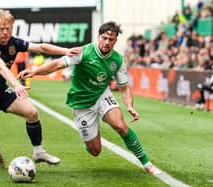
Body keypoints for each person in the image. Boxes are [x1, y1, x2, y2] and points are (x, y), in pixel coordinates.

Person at [18, 21, 161, 174]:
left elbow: (124, 87)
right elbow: (57, 65)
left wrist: (130, 106)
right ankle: (90, 137)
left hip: (102, 95)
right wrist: (35, 72)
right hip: (81, 103)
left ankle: (147, 164)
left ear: (115, 41)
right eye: (104, 38)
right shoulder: (83, 52)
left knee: (120, 126)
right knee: (95, 151)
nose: (107, 42)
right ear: (98, 37)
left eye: (111, 39)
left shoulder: (118, 60)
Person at [0, 9, 80, 168]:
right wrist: (17, 84)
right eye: (0, 28)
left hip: (0, 91)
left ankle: (39, 152)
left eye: (8, 28)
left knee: (32, 113)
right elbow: (1, 68)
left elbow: (41, 47)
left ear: (12, 27)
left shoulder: (14, 43)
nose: (4, 32)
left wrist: (65, 51)